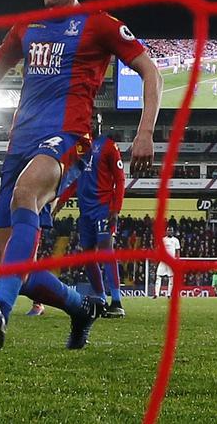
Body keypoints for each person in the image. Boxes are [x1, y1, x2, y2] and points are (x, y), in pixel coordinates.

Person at [0, 0, 161, 350]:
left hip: (67, 138)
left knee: (28, 193)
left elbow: (149, 70)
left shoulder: (99, 24)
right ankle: (80, 307)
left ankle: (2, 306)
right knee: (13, 265)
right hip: (20, 141)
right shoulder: (26, 26)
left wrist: (145, 132)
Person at [53, 130, 128, 317]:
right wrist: (59, 204)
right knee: (88, 257)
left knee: (105, 250)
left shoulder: (108, 145)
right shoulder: (79, 147)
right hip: (85, 211)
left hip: (103, 207)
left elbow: (120, 178)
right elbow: (73, 181)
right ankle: (101, 299)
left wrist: (116, 209)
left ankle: (117, 301)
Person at [155, 226, 180, 298]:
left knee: (171, 277)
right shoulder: (163, 240)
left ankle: (169, 294)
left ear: (173, 231)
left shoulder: (176, 240)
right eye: (168, 230)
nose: (169, 231)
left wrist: (177, 260)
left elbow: (177, 250)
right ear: (166, 231)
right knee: (158, 276)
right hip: (163, 260)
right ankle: (156, 294)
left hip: (171, 261)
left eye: (171, 230)